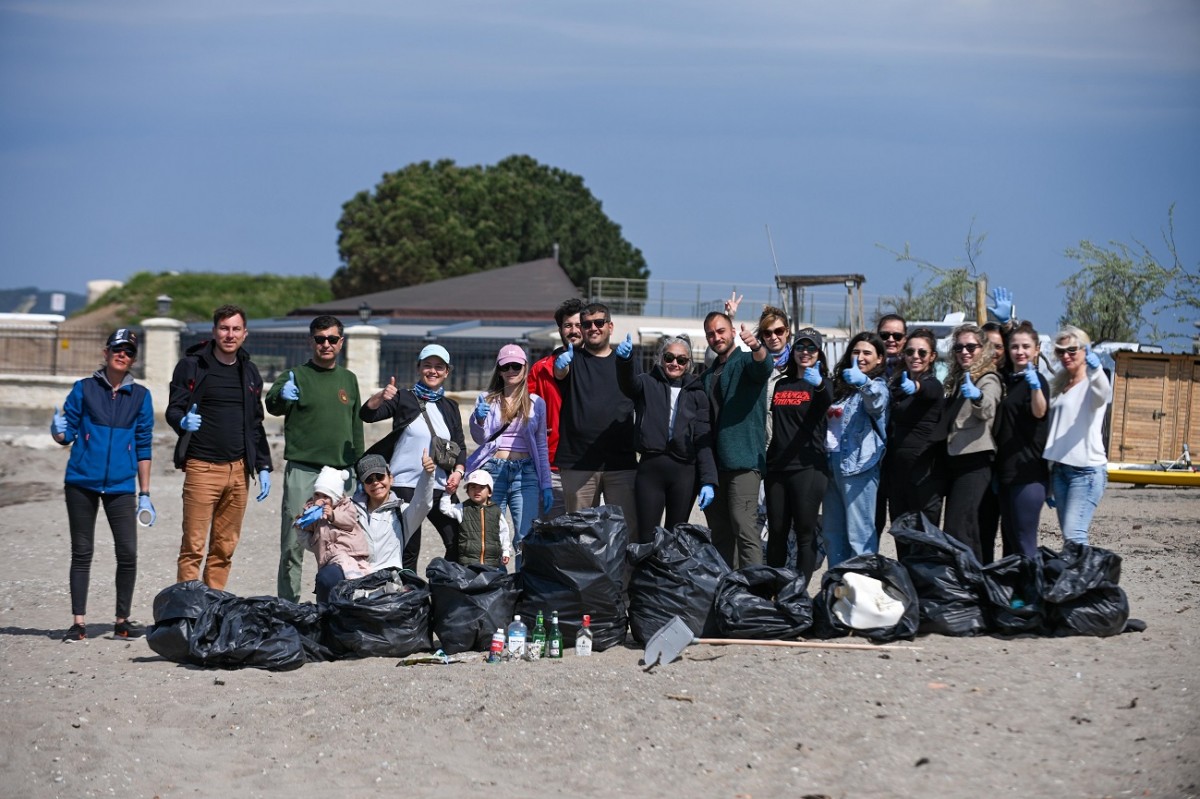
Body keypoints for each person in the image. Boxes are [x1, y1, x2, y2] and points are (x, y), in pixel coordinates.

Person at [52, 329, 155, 641]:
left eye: (129, 352)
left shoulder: (141, 396)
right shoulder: (84, 389)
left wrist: (145, 494)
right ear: (106, 352)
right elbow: (67, 433)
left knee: (128, 553)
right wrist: (57, 432)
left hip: (121, 486)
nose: (122, 355)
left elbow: (143, 446)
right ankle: (78, 623)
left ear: (133, 359)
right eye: (117, 349)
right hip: (81, 482)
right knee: (82, 551)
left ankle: (122, 621)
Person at [166, 304, 273, 590]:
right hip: (202, 468)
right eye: (224, 328)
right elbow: (173, 409)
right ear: (214, 331)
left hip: (239, 471)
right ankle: (187, 610)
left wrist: (263, 465)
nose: (230, 334)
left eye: (236, 329)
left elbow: (255, 422)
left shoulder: (249, 371)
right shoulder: (192, 366)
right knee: (193, 547)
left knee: (224, 549)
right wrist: (182, 422)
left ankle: (213, 605)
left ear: (245, 333)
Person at [266, 315, 364, 603]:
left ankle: (339, 602)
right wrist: (283, 396)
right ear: (311, 341)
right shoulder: (295, 375)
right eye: (320, 339)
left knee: (343, 541)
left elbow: (356, 426)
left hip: (340, 472)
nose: (326, 344)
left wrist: (359, 468)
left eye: (332, 339)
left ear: (341, 342)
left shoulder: (349, 379)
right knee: (293, 543)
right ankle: (289, 605)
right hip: (303, 469)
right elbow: (272, 405)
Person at [359, 343, 466, 570]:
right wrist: (380, 396)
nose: (433, 371)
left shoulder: (450, 407)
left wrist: (458, 472)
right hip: (405, 484)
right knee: (408, 549)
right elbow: (367, 415)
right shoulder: (403, 397)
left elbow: (460, 446)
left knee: (460, 541)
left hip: (439, 485)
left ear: (447, 372)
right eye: (428, 365)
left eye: (439, 367)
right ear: (418, 368)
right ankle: (409, 590)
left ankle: (443, 585)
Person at [552, 302, 640, 540]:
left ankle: (624, 568)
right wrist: (561, 367)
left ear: (610, 326)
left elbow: (638, 392)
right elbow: (560, 373)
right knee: (580, 534)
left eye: (599, 322)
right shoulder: (570, 358)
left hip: (620, 462)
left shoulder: (626, 360)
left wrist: (627, 362)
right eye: (587, 324)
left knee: (626, 532)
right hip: (578, 462)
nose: (593, 328)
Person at [618, 334, 717, 538]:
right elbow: (627, 384)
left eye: (681, 360)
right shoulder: (646, 382)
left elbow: (703, 438)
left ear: (688, 363)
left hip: (684, 472)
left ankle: (669, 562)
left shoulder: (697, 393)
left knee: (675, 537)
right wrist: (625, 361)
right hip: (651, 468)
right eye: (669, 357)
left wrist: (708, 480)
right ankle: (647, 561)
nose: (675, 363)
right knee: (647, 536)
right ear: (661, 358)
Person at [700, 310, 772, 568]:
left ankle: (756, 587)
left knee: (745, 528)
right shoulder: (708, 375)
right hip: (715, 466)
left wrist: (757, 347)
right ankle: (728, 585)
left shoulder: (745, 362)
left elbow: (764, 367)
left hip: (744, 462)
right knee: (721, 533)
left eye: (721, 331)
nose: (716, 337)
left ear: (732, 332)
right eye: (711, 334)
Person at [312, 452, 435, 603]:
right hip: (353, 575)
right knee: (326, 577)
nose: (376, 483)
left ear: (391, 478)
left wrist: (428, 474)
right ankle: (324, 615)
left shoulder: (402, 513)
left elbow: (422, 504)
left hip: (388, 580)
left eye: (380, 476)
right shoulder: (349, 509)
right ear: (363, 485)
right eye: (369, 480)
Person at [466, 344, 552, 559]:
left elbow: (541, 446)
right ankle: (496, 579)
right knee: (492, 536)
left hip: (526, 473)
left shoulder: (536, 403)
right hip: (494, 471)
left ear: (525, 368)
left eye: (516, 366)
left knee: (525, 536)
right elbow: (480, 438)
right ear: (499, 370)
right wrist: (478, 419)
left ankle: (523, 580)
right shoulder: (487, 399)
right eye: (506, 367)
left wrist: (546, 484)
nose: (511, 371)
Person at [763, 327, 831, 584]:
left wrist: (820, 385)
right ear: (793, 351)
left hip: (808, 468)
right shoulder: (782, 384)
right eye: (800, 346)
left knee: (804, 533)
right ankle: (774, 588)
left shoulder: (824, 385)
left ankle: (798, 592)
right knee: (777, 532)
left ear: (819, 353)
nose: (805, 352)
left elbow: (829, 401)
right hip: (777, 468)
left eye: (811, 347)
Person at [821, 332, 889, 567]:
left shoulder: (877, 385)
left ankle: (861, 584)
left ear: (880, 359)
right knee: (833, 535)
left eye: (867, 353)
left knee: (860, 537)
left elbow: (877, 402)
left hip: (859, 468)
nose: (860, 357)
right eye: (856, 351)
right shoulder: (842, 386)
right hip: (831, 466)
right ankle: (837, 584)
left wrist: (864, 383)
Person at [1043, 326, 1111, 545]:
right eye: (1060, 351)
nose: (1066, 355)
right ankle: (1079, 569)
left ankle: (1090, 569)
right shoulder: (1061, 385)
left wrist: (1097, 370)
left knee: (1075, 536)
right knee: (1069, 538)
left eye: (1072, 350)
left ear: (1085, 350)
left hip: (1086, 472)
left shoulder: (1093, 384)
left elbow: (1103, 394)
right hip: (1060, 470)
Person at [940, 323, 1003, 561]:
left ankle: (972, 579)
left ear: (983, 349)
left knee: (961, 529)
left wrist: (977, 397)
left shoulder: (988, 378)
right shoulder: (959, 380)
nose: (964, 352)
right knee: (962, 529)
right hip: (956, 462)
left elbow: (988, 407)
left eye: (970, 347)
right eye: (958, 347)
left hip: (975, 462)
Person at [993, 322, 1049, 558]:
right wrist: (1006, 324)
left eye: (1026, 346)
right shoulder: (1009, 379)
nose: (1020, 351)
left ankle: (1034, 583)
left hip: (1028, 474)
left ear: (1037, 349)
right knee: (1010, 545)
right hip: (1006, 472)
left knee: (1025, 544)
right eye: (1015, 347)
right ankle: (1017, 585)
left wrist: (1035, 388)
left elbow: (1039, 412)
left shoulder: (1037, 381)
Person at [883, 328, 947, 534]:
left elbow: (929, 391)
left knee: (924, 537)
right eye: (910, 352)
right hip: (897, 472)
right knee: (901, 533)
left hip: (924, 473)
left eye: (922, 352)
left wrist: (916, 387)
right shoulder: (898, 385)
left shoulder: (932, 384)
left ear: (932, 356)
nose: (915, 357)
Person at [527, 298, 584, 521]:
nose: (574, 330)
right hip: (552, 465)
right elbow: (525, 413)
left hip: (586, 466)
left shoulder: (597, 367)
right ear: (560, 329)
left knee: (584, 531)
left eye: (579, 325)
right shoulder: (540, 370)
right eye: (568, 325)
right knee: (550, 530)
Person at [295, 466, 369, 604]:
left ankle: (356, 587)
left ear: (335, 497)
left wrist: (333, 515)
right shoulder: (314, 509)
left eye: (325, 497)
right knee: (328, 580)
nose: (320, 499)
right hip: (328, 557)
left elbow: (350, 521)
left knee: (347, 568)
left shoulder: (346, 506)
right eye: (317, 495)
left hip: (349, 552)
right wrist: (303, 520)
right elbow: (309, 527)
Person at [439, 469, 513, 568]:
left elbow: (504, 532)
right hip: (468, 562)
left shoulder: (496, 511)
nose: (477, 491)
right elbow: (445, 509)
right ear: (467, 492)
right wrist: (447, 494)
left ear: (490, 492)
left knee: (490, 578)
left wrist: (506, 551)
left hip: (491, 562)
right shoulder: (463, 508)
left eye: (481, 487)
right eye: (473, 487)